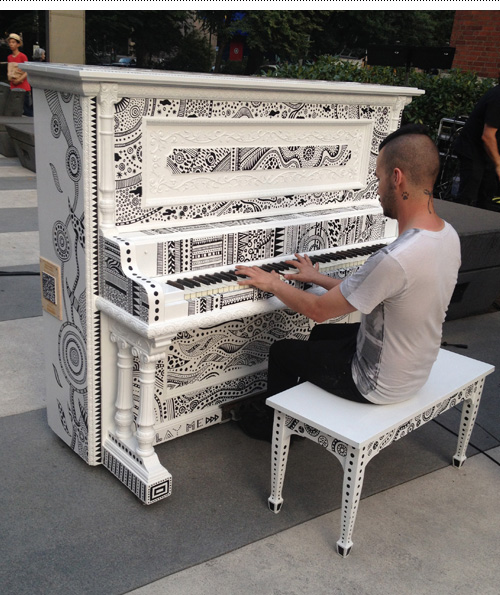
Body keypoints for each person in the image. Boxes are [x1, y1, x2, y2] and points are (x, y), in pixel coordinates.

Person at [235, 124, 461, 440]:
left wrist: (273, 283)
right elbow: (371, 289)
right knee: (322, 336)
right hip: (415, 369)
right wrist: (316, 277)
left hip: (377, 383)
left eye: (379, 179)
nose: (377, 189)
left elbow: (316, 309)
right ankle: (306, 413)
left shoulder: (396, 257)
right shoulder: (447, 235)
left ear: (397, 178)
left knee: (283, 352)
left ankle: (276, 430)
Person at [454, 81, 500, 210]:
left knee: (487, 197)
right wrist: (498, 164)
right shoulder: (497, 96)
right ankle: (460, 227)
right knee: (468, 197)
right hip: (473, 150)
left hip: (488, 154)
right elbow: (488, 135)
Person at [7, 33, 32, 117]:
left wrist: (19, 79)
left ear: (18, 44)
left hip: (23, 87)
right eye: (10, 42)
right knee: (15, 111)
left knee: (27, 111)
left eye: (13, 42)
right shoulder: (9, 57)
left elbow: (27, 71)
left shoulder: (22, 56)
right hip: (13, 87)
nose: (11, 44)